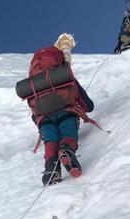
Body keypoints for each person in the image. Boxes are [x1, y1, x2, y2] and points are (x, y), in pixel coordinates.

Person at [27, 43, 95, 185]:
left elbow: (32, 108)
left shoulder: (33, 84)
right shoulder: (62, 75)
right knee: (67, 131)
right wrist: (87, 107)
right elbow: (87, 104)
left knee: (50, 138)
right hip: (66, 112)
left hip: (44, 118)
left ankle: (51, 167)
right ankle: (66, 149)